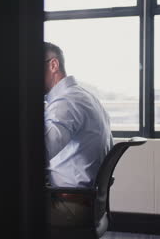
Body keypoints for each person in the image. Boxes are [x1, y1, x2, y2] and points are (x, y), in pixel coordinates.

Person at [43, 42, 113, 225]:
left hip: (70, 205)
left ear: (53, 65)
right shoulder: (83, 96)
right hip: (89, 203)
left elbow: (39, 153)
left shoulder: (66, 102)